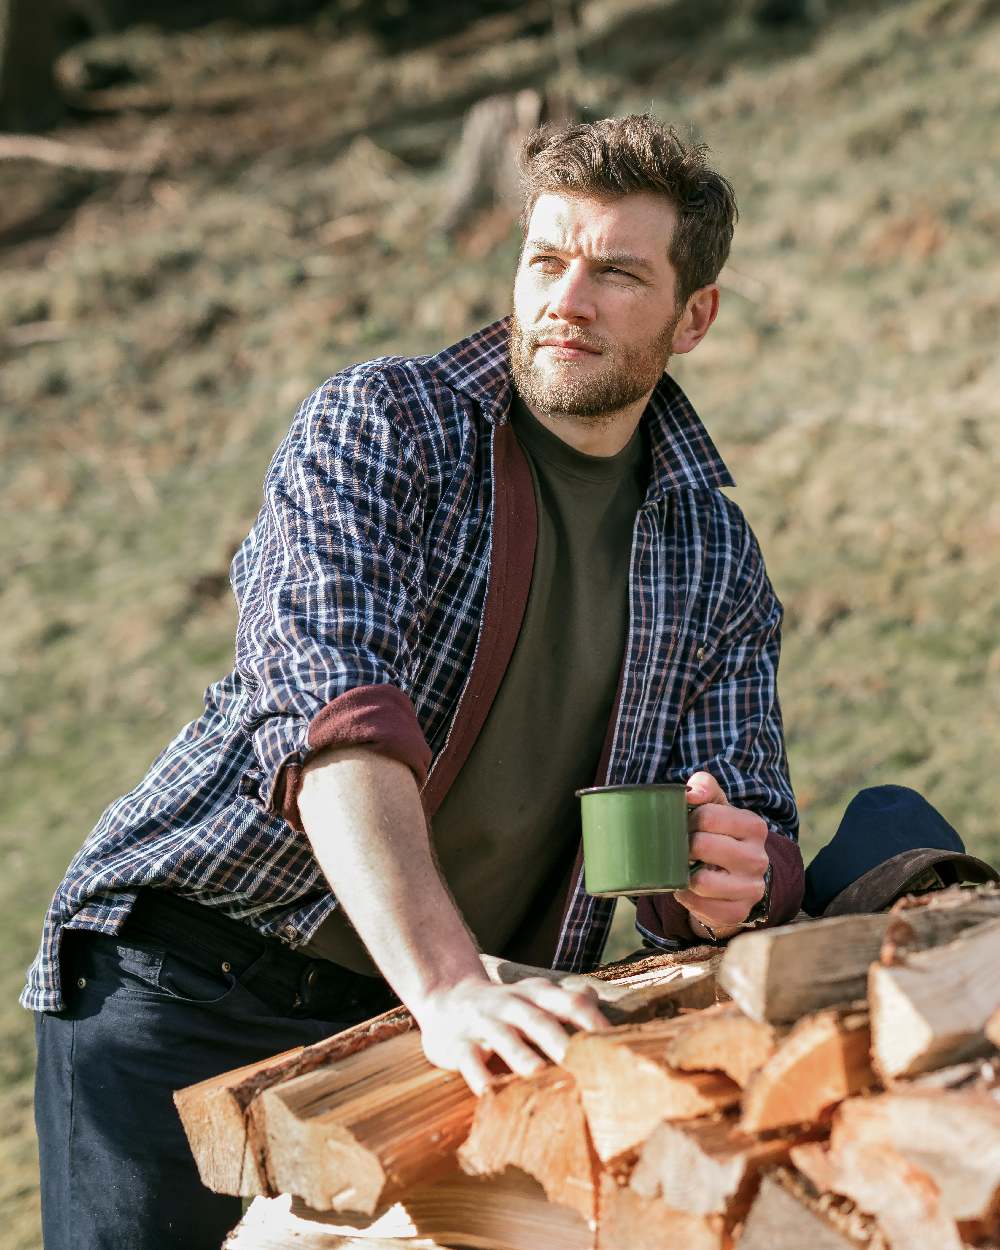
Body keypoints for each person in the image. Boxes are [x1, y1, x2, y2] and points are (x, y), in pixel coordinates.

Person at [25, 114, 803, 1250]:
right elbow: (331, 714)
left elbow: (750, 831)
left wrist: (737, 874)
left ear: (695, 316)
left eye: (616, 273)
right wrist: (446, 982)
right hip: (194, 976)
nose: (566, 299)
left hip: (441, 1025)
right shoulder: (383, 425)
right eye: (546, 260)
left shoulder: (715, 556)